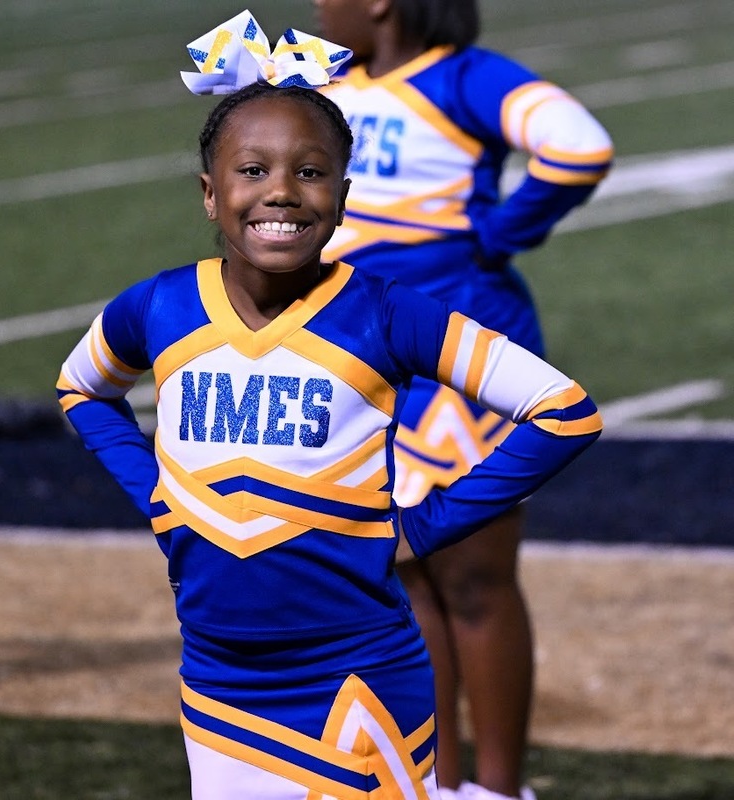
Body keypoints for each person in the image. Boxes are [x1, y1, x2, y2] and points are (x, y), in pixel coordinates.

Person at [56, 14, 602, 799]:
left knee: (472, 587)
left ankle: (493, 786)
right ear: (210, 194)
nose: (280, 190)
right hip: (217, 687)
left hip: (359, 681)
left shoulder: (388, 312)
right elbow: (82, 389)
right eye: (252, 170)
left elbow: (565, 411)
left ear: (343, 198)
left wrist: (423, 525)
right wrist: (158, 497)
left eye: (310, 173)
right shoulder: (160, 306)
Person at [312, 1, 614, 797]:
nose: (314, 2)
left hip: (461, 362)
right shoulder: (325, 72)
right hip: (365, 357)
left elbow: (579, 148)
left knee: (474, 579)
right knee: (403, 579)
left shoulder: (464, 78)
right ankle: (438, 784)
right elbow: (212, 74)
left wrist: (504, 231)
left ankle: (500, 789)